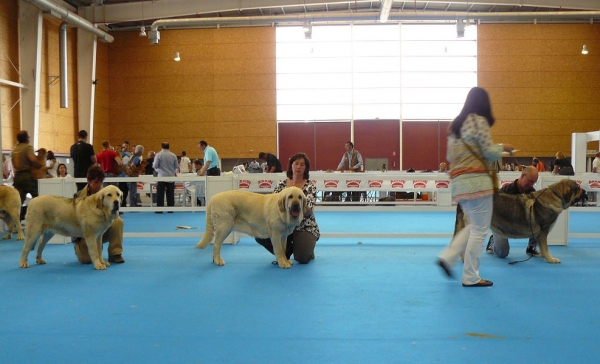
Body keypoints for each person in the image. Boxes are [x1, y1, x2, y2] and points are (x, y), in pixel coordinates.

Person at [437, 87, 513, 288]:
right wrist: (503, 148)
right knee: (480, 229)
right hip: (478, 182)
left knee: (473, 226)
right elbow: (488, 152)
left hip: (459, 184)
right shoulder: (479, 122)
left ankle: (448, 256)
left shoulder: (455, 125)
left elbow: (450, 157)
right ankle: (470, 276)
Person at [255, 153, 319, 264]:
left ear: (306, 168)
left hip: (303, 227)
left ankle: (306, 249)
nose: (299, 167)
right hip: (282, 226)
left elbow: (309, 212)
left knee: (302, 258)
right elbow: (272, 206)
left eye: (302, 164)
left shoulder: (310, 186)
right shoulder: (281, 185)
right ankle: (284, 254)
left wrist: (300, 205)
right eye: (296, 163)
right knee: (260, 235)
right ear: (291, 166)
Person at [72, 165, 125, 264]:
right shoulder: (78, 196)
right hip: (83, 235)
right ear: (88, 181)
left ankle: (115, 253)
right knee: (86, 260)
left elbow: (116, 213)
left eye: (101, 182)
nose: (99, 185)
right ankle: (87, 249)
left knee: (118, 221)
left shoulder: (107, 194)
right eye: (96, 182)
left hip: (101, 231)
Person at [485, 166, 540, 258]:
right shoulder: (505, 191)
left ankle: (531, 246)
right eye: (530, 181)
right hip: (501, 224)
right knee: (502, 253)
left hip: (518, 221)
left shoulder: (531, 192)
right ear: (523, 176)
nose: (531, 185)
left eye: (534, 183)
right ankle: (493, 239)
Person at [10, 130, 44, 220]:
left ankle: (16, 223)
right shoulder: (28, 148)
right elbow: (32, 159)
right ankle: (41, 219)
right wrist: (40, 165)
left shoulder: (14, 149)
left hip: (17, 177)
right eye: (28, 137)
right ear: (26, 138)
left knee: (18, 202)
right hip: (27, 176)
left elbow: (12, 163)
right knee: (38, 197)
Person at [153, 142, 179, 213]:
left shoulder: (158, 155)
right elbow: (176, 166)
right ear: (169, 147)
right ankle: (170, 209)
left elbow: (155, 165)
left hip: (161, 176)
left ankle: (159, 209)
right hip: (171, 176)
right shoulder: (173, 155)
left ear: (162, 147)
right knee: (170, 193)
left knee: (160, 194)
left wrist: (158, 169)